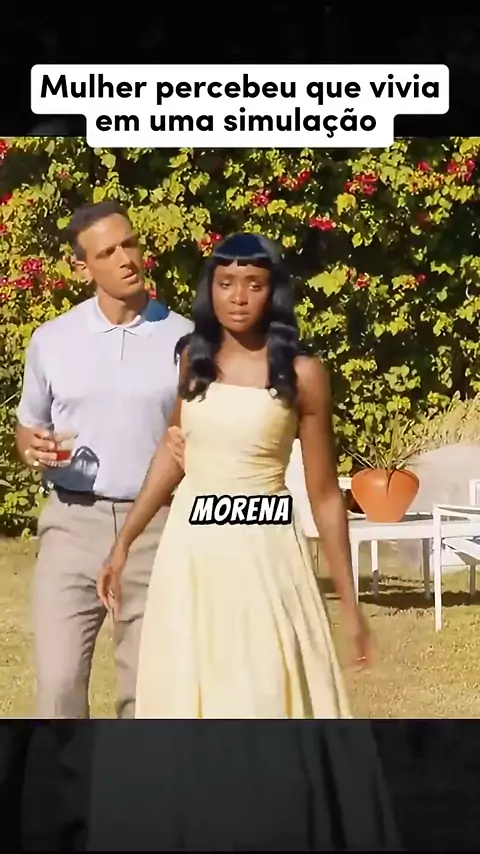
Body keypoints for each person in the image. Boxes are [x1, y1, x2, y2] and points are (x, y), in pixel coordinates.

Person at [87, 233, 402, 850]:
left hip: (264, 556)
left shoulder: (303, 373)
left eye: (253, 284)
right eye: (226, 282)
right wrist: (124, 542)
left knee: (258, 694)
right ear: (210, 288)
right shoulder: (192, 358)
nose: (238, 296)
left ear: (272, 291)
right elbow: (174, 452)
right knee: (188, 692)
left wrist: (350, 603)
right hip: (191, 556)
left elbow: (325, 495)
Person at [15, 199, 192, 849]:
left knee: (144, 688)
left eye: (129, 244)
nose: (126, 259)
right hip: (72, 523)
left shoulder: (183, 338)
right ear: (82, 267)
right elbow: (28, 428)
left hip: (155, 528)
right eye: (108, 252)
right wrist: (31, 449)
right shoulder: (52, 340)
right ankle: (69, 817)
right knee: (60, 681)